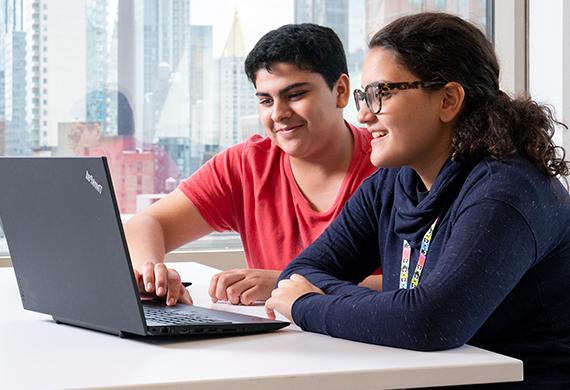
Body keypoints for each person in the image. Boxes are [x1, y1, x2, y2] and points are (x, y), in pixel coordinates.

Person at [265, 13, 570, 388]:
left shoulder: (507, 191)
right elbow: (299, 275)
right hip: (424, 377)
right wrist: (390, 308)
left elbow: (428, 322)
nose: (362, 114)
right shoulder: (393, 183)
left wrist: (306, 304)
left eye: (381, 94)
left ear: (448, 99)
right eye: (363, 96)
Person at [124, 23, 378, 307]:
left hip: (374, 345)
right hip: (275, 344)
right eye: (266, 100)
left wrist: (285, 283)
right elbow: (146, 222)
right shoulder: (247, 165)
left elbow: (421, 284)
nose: (279, 114)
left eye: (295, 95)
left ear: (341, 91)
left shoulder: (389, 164)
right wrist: (151, 273)